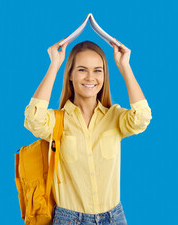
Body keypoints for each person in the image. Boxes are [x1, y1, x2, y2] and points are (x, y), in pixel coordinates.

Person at [24, 39, 152, 225]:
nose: (90, 77)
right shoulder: (56, 121)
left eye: (97, 70)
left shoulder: (114, 117)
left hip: (113, 219)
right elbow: (33, 119)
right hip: (69, 220)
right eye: (82, 70)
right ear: (70, 75)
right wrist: (54, 66)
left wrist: (125, 66)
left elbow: (141, 118)